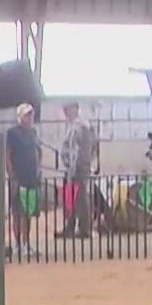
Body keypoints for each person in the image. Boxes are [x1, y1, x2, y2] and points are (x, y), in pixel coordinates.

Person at [58, 101, 99, 238]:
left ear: (76, 109)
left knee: (80, 197)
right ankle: (70, 226)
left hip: (78, 167)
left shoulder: (81, 126)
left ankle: (84, 229)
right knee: (70, 197)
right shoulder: (76, 126)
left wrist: (77, 165)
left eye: (68, 109)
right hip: (73, 167)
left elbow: (82, 149)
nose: (66, 112)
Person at [5, 103, 42, 254]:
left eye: (31, 115)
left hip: (31, 177)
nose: (30, 117)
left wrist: (38, 168)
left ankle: (27, 243)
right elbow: (7, 155)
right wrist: (12, 176)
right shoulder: (12, 133)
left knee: (29, 211)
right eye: (27, 115)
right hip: (18, 177)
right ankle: (18, 244)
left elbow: (38, 151)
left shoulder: (33, 132)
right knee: (18, 211)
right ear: (19, 117)